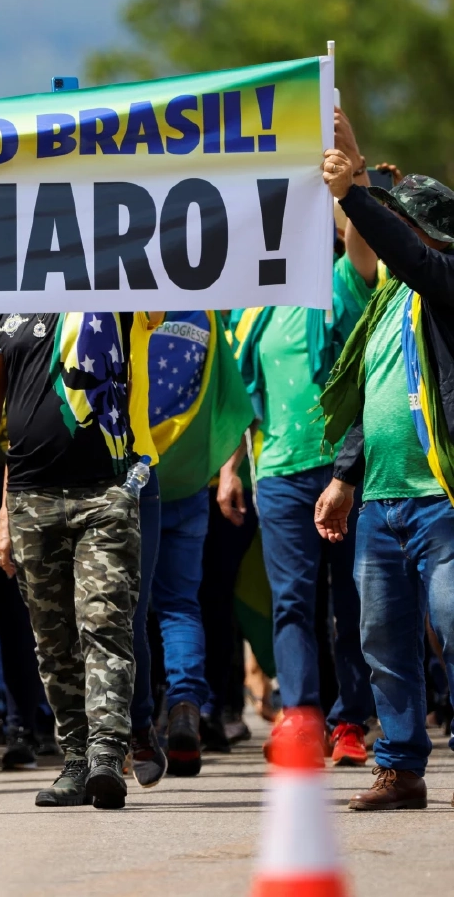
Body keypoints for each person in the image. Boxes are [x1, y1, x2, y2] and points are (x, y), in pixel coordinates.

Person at [0, 311, 154, 810]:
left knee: (104, 623)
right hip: (29, 499)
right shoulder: (5, 309)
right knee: (52, 638)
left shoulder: (120, 293)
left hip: (106, 493)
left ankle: (107, 754)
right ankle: (76, 760)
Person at [231, 109, 378, 767]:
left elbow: (365, 247)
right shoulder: (252, 307)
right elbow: (244, 400)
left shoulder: (340, 284)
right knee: (292, 601)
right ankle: (301, 716)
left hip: (345, 471)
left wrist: (352, 161)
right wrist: (234, 468)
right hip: (280, 473)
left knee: (351, 602)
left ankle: (352, 721)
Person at [316, 151, 454, 809]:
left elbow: (408, 253)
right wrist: (346, 477)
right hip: (382, 502)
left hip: (441, 502)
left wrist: (354, 195)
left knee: (453, 620)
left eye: (407, 226)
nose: (397, 236)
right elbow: (377, 394)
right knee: (381, 637)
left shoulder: (445, 280)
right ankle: (400, 769)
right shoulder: (386, 304)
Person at [140, 312, 254, 777]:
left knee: (124, 608)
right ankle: (185, 704)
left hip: (131, 480)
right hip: (190, 483)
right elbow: (234, 404)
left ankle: (137, 725)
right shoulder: (204, 314)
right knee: (181, 606)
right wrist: (228, 472)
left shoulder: (120, 301)